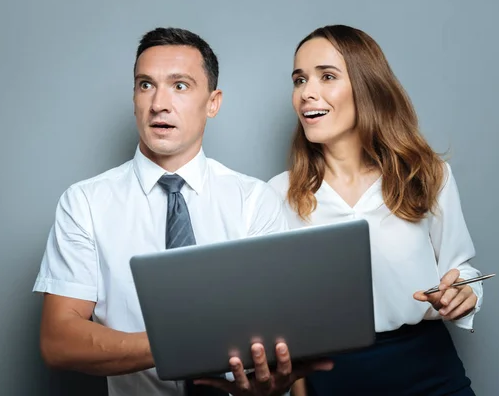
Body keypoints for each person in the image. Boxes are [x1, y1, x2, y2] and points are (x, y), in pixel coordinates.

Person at [33, 27, 331, 396]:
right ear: (134, 98)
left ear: (213, 102)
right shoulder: (85, 203)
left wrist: (268, 383)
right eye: (146, 85)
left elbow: (275, 334)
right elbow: (58, 340)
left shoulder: (253, 200)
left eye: (180, 86)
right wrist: (185, 344)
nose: (159, 103)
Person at [268, 24, 484, 396]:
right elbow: (283, 317)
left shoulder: (427, 174)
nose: (307, 93)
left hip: (429, 370)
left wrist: (465, 293)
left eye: (327, 76)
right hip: (332, 376)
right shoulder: (278, 194)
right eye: (299, 80)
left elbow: (461, 269)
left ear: (365, 86)